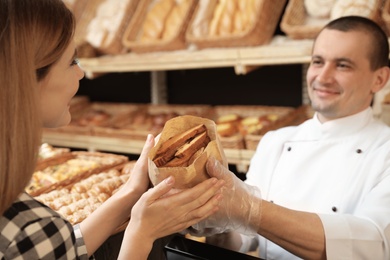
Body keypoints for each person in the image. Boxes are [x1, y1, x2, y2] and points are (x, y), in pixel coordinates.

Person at [0, 0, 225, 259]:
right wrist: (142, 233)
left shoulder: (26, 226)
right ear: (25, 80)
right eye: (72, 61)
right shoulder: (28, 227)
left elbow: (57, 249)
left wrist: (130, 193)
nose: (81, 73)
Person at [195, 15, 390, 260]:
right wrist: (216, 225)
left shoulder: (385, 152)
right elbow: (242, 238)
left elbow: (372, 244)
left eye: (343, 65)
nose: (323, 77)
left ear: (379, 79)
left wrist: (249, 210)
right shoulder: (275, 142)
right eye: (318, 62)